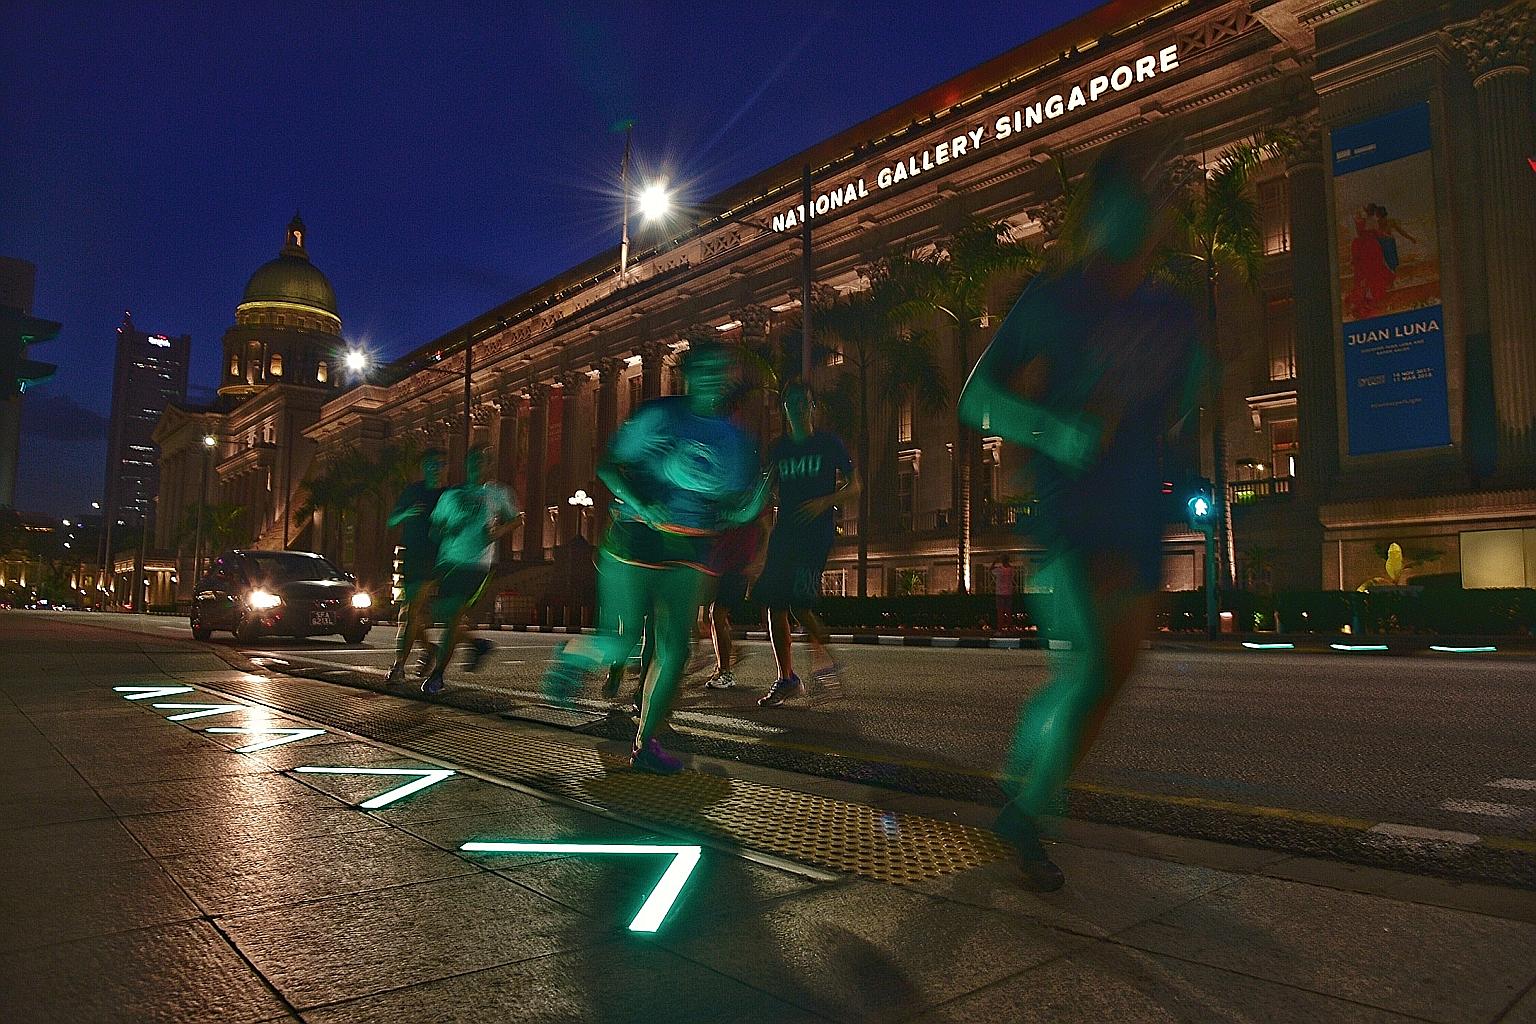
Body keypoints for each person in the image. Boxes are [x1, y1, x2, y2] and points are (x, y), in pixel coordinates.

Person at [958, 140, 1203, 891]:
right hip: (1072, 510)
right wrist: (1054, 431)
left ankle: (1025, 777)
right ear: (1095, 216)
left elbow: (1186, 394)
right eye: (1125, 202)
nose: (1140, 216)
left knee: (1108, 673)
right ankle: (1027, 812)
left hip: (1136, 508)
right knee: (1094, 666)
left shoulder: (1169, 310)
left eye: (1151, 203)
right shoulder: (1053, 298)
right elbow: (979, 396)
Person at [542, 340, 765, 773]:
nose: (712, 378)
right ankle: (572, 657)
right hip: (635, 537)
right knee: (622, 642)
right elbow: (609, 466)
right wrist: (644, 505)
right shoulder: (659, 416)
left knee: (675, 650)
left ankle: (646, 744)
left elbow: (729, 505)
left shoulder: (735, 440)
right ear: (687, 374)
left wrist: (747, 508)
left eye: (721, 370)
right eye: (703, 369)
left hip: (690, 548)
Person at [754, 382, 860, 708]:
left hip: (815, 535)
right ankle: (786, 678)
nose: (799, 407)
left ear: (813, 408)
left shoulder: (828, 444)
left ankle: (828, 666)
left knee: (800, 604)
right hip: (784, 533)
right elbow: (766, 491)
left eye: (805, 402)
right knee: (774, 605)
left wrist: (824, 502)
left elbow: (855, 485)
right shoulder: (778, 450)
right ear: (784, 408)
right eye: (793, 402)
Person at [421, 443, 522, 695]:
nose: (478, 466)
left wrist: (498, 531)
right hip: (447, 563)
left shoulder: (498, 493)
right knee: (425, 610)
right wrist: (446, 530)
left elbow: (516, 519)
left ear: (489, 466)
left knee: (453, 616)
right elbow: (434, 529)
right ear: (466, 465)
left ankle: (438, 676)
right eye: (473, 461)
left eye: (482, 461)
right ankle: (477, 644)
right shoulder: (451, 495)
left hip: (476, 565)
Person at [385, 449, 445, 685]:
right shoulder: (413, 491)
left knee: (410, 612)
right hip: (410, 557)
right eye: (430, 464)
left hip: (433, 559)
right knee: (409, 613)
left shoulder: (446, 495)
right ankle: (430, 648)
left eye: (439, 464)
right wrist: (406, 513)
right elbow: (392, 520)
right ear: (423, 467)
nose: (435, 469)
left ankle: (399, 666)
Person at [990, 553, 1017, 632]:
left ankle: (1000, 629)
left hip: (1000, 593)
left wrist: (994, 562)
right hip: (1008, 592)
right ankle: (1009, 628)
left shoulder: (999, 570)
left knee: (1000, 612)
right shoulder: (1011, 570)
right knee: (1008, 611)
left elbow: (991, 570)